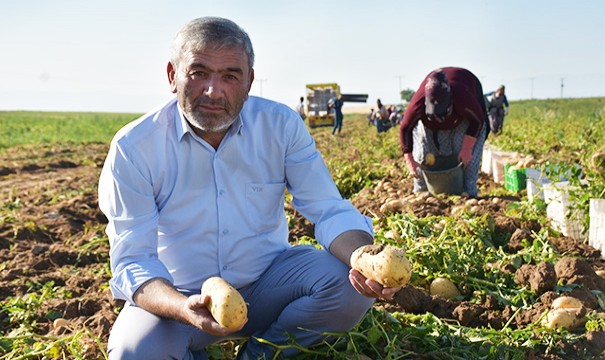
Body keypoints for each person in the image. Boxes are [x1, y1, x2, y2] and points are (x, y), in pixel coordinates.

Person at [98, 17, 400, 360]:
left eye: (230, 75)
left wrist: (363, 259)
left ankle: (262, 353)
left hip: (267, 285)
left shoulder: (280, 125)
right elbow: (133, 259)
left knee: (349, 282)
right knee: (133, 352)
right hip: (179, 298)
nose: (214, 90)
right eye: (199, 73)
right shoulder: (135, 146)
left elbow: (327, 208)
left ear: (249, 81)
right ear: (172, 75)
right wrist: (182, 307)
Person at [399, 67, 488, 197]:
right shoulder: (417, 104)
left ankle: (468, 193)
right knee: (423, 155)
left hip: (465, 119)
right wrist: (409, 160)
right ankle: (422, 193)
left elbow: (478, 121)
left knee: (466, 157)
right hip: (428, 125)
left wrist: (467, 148)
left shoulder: (463, 98)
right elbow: (405, 128)